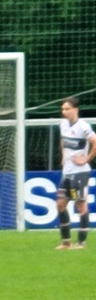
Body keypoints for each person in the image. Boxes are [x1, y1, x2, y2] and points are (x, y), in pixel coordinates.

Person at [55, 95, 96, 250]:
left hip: (80, 172)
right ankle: (66, 242)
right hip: (67, 171)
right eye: (63, 109)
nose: (64, 111)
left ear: (75, 109)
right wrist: (64, 156)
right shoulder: (63, 124)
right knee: (60, 204)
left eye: (67, 109)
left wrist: (86, 159)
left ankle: (81, 242)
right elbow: (63, 140)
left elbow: (95, 142)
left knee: (80, 206)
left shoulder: (83, 126)